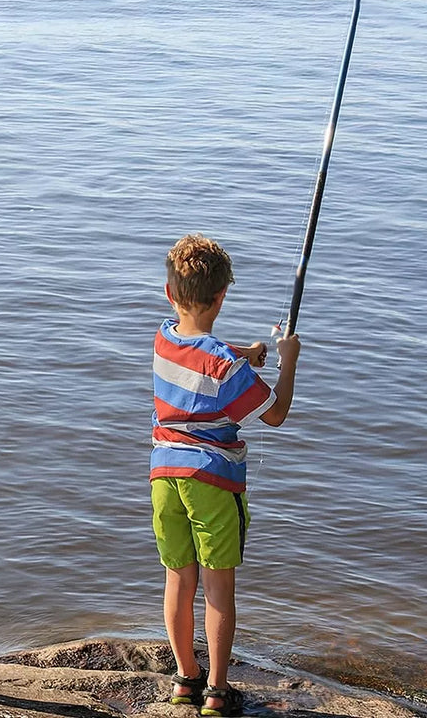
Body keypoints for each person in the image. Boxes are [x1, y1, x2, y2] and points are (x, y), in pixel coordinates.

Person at [149, 234, 300, 717]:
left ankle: (183, 678)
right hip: (212, 482)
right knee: (218, 587)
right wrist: (285, 362)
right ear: (222, 296)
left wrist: (247, 353)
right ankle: (215, 689)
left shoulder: (164, 336)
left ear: (170, 294)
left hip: (164, 475)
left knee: (178, 579)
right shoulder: (225, 366)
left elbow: (199, 348)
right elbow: (274, 414)